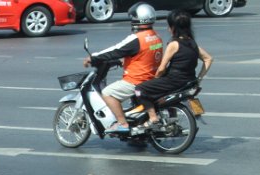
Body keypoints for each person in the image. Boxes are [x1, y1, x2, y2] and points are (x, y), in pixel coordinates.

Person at [83, 2, 163, 134]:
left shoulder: (137, 38)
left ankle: (122, 123)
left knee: (108, 93)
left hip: (136, 80)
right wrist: (123, 61)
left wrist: (93, 57)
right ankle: (138, 133)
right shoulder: (156, 36)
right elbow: (143, 55)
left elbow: (116, 50)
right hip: (152, 78)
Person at [134, 9, 213, 129]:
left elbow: (161, 68)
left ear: (174, 28)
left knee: (140, 89)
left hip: (174, 80)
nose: (168, 29)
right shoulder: (193, 43)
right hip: (188, 81)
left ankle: (153, 118)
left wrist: (155, 78)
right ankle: (172, 119)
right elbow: (208, 59)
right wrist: (199, 78)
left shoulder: (174, 44)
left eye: (169, 26)